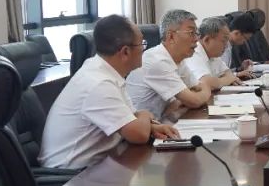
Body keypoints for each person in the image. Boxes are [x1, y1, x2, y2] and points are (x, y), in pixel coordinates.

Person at [39, 15, 179, 169]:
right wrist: (145, 115)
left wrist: (151, 127)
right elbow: (139, 134)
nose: (144, 49)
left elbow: (132, 118)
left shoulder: (104, 72)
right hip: (71, 176)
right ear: (125, 52)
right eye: (142, 44)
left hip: (99, 165)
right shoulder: (98, 83)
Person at [126, 9, 213, 119]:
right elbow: (194, 101)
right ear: (171, 36)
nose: (196, 39)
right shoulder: (157, 61)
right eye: (191, 33)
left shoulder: (178, 59)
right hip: (142, 127)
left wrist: (186, 98)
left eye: (196, 33)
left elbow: (198, 87)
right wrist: (204, 91)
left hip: (162, 122)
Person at [182, 16, 242, 90]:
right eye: (224, 41)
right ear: (206, 39)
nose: (226, 46)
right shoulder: (194, 53)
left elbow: (228, 73)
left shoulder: (213, 55)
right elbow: (206, 83)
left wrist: (223, 80)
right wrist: (228, 79)